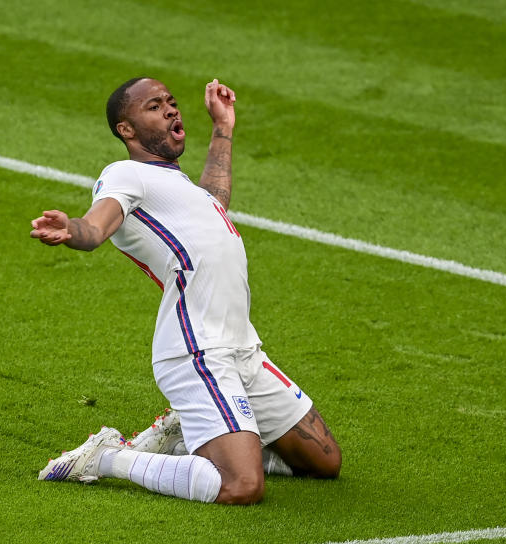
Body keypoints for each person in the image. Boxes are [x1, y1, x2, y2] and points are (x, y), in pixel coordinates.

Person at [31, 78, 341, 505]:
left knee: (324, 461)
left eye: (172, 103)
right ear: (127, 129)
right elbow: (97, 225)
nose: (172, 110)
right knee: (241, 486)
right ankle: (108, 457)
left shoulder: (177, 187)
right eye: (155, 106)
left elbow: (214, 199)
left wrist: (223, 128)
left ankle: (194, 436)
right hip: (197, 349)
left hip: (242, 347)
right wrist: (74, 231)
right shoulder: (126, 174)